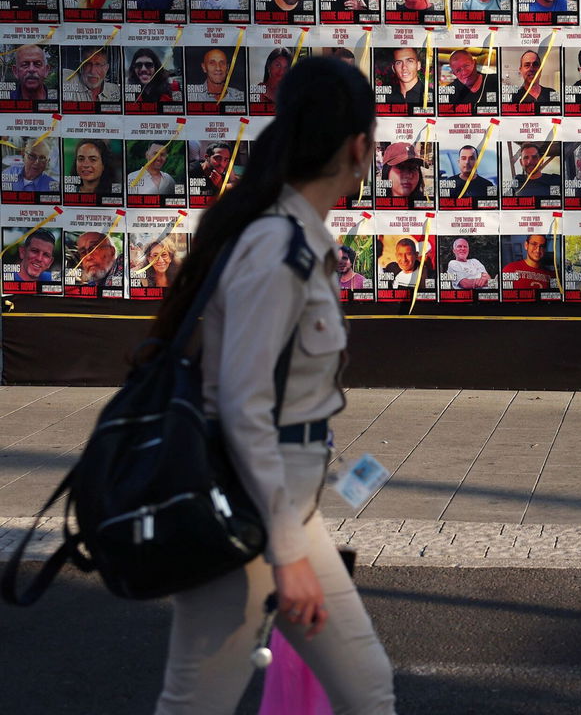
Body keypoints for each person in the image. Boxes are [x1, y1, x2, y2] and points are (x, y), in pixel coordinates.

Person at [146, 57, 394, 713]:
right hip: (248, 512)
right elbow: (244, 404)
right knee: (193, 704)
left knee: (368, 689)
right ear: (358, 146)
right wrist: (286, 555)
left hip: (287, 506)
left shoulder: (296, 239)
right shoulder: (275, 249)